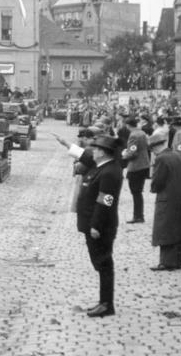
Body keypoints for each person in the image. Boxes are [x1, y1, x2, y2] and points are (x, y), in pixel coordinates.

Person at [76, 135, 123, 318]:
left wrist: (96, 225)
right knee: (101, 264)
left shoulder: (110, 172)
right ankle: (103, 301)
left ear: (103, 152)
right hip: (92, 224)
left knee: (104, 264)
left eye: (95, 149)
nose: (92, 152)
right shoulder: (103, 167)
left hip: (101, 226)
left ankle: (106, 304)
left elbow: (105, 201)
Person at [148, 131, 181, 271]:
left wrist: (153, 187)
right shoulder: (177, 155)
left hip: (166, 198)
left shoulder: (161, 159)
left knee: (166, 230)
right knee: (178, 229)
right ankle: (177, 261)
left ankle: (166, 262)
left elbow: (157, 181)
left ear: (155, 148)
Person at [121, 116, 150, 224]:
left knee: (135, 192)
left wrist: (124, 155)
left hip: (136, 166)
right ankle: (139, 215)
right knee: (138, 192)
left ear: (128, 125)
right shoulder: (141, 133)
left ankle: (138, 215)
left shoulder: (133, 135)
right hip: (144, 164)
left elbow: (132, 152)